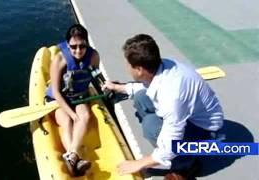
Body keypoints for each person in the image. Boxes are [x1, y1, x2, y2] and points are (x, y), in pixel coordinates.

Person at [102, 34, 224, 179]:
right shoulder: (160, 66)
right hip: (189, 115)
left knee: (150, 125)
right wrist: (118, 87)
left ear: (139, 69)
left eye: (128, 64)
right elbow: (146, 85)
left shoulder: (172, 95)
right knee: (141, 97)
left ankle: (185, 165)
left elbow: (172, 140)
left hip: (206, 131)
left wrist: (140, 163)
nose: (126, 67)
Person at [46, 24, 100, 176]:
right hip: (58, 99)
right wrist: (71, 114)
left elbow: (95, 75)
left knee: (85, 116)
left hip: (79, 95)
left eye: (82, 46)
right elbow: (56, 92)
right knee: (67, 121)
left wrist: (106, 86)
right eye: (73, 46)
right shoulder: (60, 59)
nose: (78, 50)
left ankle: (72, 155)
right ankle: (76, 157)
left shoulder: (94, 56)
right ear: (67, 45)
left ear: (87, 44)